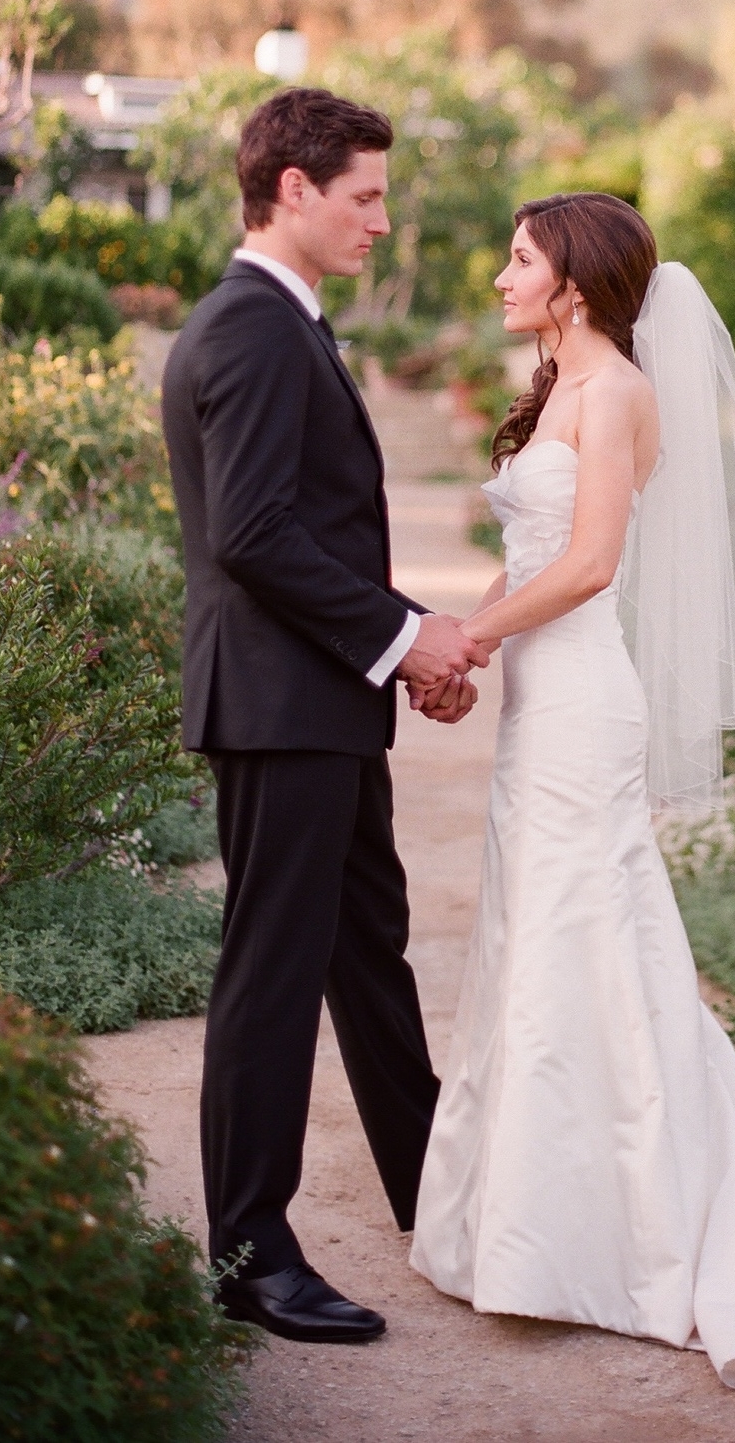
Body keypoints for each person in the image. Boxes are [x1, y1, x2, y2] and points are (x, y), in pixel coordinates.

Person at [410, 191, 735, 1389]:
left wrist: (471, 637)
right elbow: (535, 553)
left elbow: (592, 562)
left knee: (590, 945)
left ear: (575, 282)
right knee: (535, 940)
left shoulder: (615, 394)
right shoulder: (560, 384)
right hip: (537, 706)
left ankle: (629, 1240)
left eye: (519, 260)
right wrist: (469, 654)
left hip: (582, 706)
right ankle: (525, 1227)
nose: (500, 277)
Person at [162, 85, 489, 1346]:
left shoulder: (284, 321)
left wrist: (399, 645)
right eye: (365, 196)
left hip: (320, 700)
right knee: (275, 974)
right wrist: (407, 640)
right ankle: (250, 1253)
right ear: (292, 188)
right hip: (279, 707)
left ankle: (435, 1191)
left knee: (367, 948)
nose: (381, 221)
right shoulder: (252, 328)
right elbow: (252, 536)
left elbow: (305, 531)